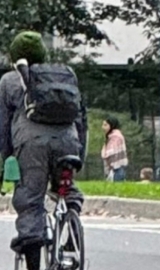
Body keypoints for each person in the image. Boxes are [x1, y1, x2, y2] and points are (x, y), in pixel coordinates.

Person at [0, 31, 88, 270]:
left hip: (31, 146)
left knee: (30, 200)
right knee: (66, 189)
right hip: (68, 142)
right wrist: (79, 154)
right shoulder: (66, 76)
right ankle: (71, 227)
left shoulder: (9, 81)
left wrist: (6, 159)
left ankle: (33, 261)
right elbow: (81, 119)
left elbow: (4, 125)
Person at [101, 116, 128, 181]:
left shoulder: (115, 137)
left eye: (105, 125)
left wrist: (103, 151)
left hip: (116, 168)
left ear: (111, 125)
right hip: (116, 168)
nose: (103, 127)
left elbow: (110, 153)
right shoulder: (114, 136)